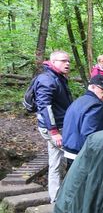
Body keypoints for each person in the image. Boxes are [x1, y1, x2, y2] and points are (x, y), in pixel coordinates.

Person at [35, 50, 74, 203]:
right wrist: (54, 131)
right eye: (64, 60)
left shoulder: (58, 78)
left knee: (55, 163)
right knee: (76, 156)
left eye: (68, 61)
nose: (68, 63)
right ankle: (66, 198)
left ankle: (55, 198)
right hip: (54, 128)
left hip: (58, 126)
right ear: (53, 62)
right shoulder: (47, 80)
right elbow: (45, 106)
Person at [62, 75, 103, 167]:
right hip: (81, 153)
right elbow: (91, 135)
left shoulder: (78, 101)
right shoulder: (95, 105)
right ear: (93, 86)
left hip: (70, 148)